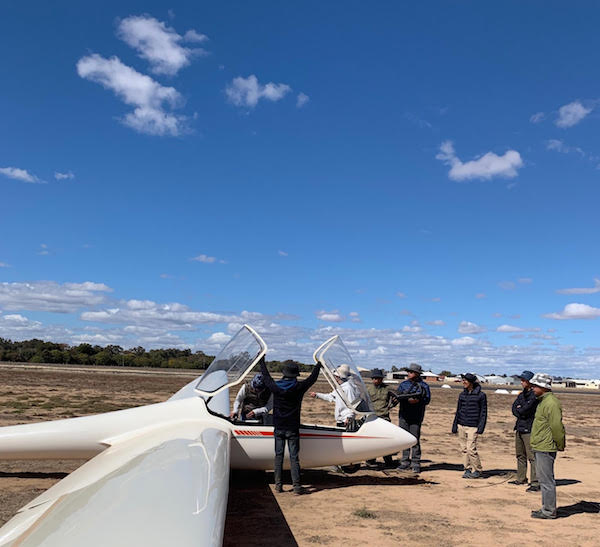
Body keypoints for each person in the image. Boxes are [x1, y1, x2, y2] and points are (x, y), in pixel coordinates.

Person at [260, 357, 321, 495]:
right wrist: (318, 365)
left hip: (279, 427)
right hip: (292, 428)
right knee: (294, 457)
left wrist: (261, 361)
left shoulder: (275, 387)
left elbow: (266, 376)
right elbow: (312, 378)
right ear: (295, 374)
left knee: (278, 456)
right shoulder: (299, 387)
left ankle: (278, 486)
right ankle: (297, 487)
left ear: (284, 373)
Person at [529, 372, 566, 520]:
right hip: (539, 446)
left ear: (543, 387)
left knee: (546, 481)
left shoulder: (551, 403)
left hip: (545, 447)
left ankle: (549, 511)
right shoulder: (543, 401)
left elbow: (556, 427)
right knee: (543, 480)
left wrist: (560, 444)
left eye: (535, 385)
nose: (532, 388)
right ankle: (546, 508)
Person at [396, 363, 431, 473]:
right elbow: (397, 397)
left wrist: (418, 401)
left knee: (415, 439)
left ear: (417, 374)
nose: (409, 374)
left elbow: (427, 400)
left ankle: (416, 463)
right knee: (404, 439)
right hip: (404, 415)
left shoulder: (424, 386)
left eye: (411, 372)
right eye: (409, 372)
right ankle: (404, 462)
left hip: (416, 416)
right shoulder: (403, 385)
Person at [452, 372, 487, 479]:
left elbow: (483, 413)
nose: (463, 382)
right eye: (463, 380)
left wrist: (481, 427)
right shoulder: (462, 395)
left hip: (473, 426)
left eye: (465, 380)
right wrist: (455, 425)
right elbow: (458, 410)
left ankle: (478, 470)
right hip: (461, 424)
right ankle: (467, 469)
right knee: (464, 449)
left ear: (471, 382)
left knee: (471, 449)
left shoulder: (481, 395)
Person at [509, 370, 539, 491]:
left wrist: (520, 409)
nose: (521, 382)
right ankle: (521, 478)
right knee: (520, 454)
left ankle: (535, 482)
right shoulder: (522, 395)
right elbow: (514, 408)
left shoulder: (534, 396)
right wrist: (519, 410)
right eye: (521, 380)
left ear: (530, 382)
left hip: (529, 428)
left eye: (523, 380)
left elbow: (526, 409)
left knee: (532, 456)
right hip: (519, 427)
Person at [365, 368, 398, 468]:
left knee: (386, 440)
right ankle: (370, 460)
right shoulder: (368, 389)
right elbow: (363, 401)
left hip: (384, 417)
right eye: (374, 378)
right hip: (372, 417)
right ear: (372, 379)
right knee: (371, 440)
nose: (376, 380)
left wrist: (391, 405)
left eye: (378, 378)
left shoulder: (387, 389)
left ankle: (388, 461)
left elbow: (397, 397)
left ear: (382, 379)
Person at [310, 364, 358, 428]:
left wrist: (349, 417)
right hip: (340, 420)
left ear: (339, 377)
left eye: (335, 376)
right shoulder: (340, 388)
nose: (335, 378)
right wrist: (317, 395)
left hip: (346, 421)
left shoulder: (348, 388)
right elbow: (330, 397)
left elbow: (353, 404)